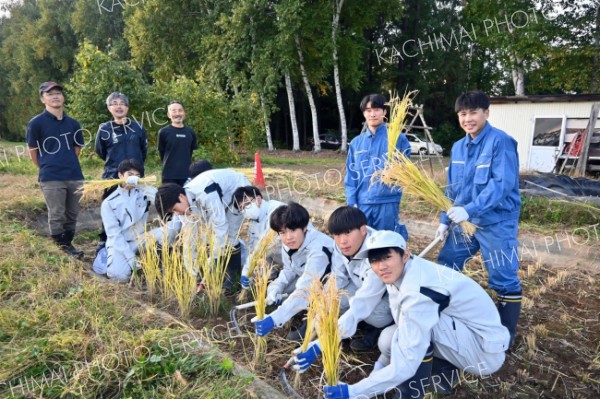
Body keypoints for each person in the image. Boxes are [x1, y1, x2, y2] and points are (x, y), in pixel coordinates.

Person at [322, 230, 510, 399]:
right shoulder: (401, 270)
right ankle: (443, 374)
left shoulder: (418, 290)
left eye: (387, 257)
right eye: (374, 260)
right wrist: (376, 370)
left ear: (405, 255)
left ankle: (410, 393)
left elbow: (407, 360)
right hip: (463, 335)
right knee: (389, 338)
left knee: (414, 337)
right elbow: (368, 307)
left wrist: (354, 391)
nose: (380, 267)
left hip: (484, 353)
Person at [435, 91, 522, 347]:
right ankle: (449, 318)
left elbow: (502, 185)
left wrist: (469, 210)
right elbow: (453, 187)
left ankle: (507, 335)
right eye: (463, 114)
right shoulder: (458, 147)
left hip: (496, 222)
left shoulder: (501, 142)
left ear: (486, 112)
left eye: (473, 112)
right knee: (447, 263)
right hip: (464, 222)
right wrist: (444, 219)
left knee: (503, 276)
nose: (468, 118)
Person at [292, 206, 392, 368]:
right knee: (334, 298)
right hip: (360, 284)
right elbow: (337, 277)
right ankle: (332, 328)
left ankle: (375, 329)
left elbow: (364, 302)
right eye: (337, 235)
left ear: (363, 230)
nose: (342, 241)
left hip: (384, 296)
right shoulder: (341, 246)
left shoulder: (378, 254)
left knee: (371, 314)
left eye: (347, 233)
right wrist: (321, 309)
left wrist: (320, 345)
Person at [154, 160, 251, 290]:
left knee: (230, 237)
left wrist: (210, 265)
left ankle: (233, 282)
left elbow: (220, 225)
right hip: (221, 197)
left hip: (239, 191)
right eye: (173, 212)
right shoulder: (185, 208)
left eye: (175, 209)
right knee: (207, 235)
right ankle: (213, 274)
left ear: (182, 197)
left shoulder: (205, 193)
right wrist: (192, 275)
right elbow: (189, 240)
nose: (177, 213)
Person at [251, 202, 334, 341]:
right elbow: (289, 269)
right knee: (287, 289)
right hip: (307, 279)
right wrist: (275, 288)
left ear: (304, 227)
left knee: (316, 292)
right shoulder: (288, 244)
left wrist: (274, 319)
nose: (288, 237)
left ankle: (312, 323)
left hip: (331, 284)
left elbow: (306, 288)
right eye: (282, 232)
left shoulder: (319, 248)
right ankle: (295, 311)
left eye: (293, 230)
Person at [26, 81, 85, 259]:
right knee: (57, 213)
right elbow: (33, 152)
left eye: (58, 92)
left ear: (63, 97)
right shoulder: (36, 123)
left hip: (74, 175)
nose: (55, 96)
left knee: (72, 213)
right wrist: (46, 166)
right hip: (51, 177)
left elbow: (77, 149)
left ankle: (68, 243)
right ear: (43, 98)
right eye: (50, 93)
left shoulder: (73, 124)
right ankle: (62, 247)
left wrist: (68, 163)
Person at [344, 93, 411, 240]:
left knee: (385, 245)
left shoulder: (398, 139)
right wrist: (351, 203)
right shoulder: (357, 143)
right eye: (368, 110)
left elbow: (407, 172)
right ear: (364, 113)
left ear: (384, 112)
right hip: (362, 203)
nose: (372, 114)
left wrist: (395, 172)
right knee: (361, 243)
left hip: (387, 202)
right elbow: (351, 175)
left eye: (376, 109)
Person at [94, 92, 148, 251]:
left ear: (127, 107)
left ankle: (136, 239)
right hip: (113, 177)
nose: (119, 106)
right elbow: (100, 152)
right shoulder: (104, 129)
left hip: (136, 177)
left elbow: (143, 150)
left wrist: (133, 172)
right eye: (114, 103)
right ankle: (105, 240)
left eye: (122, 103)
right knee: (110, 207)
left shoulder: (137, 127)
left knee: (137, 208)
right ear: (109, 107)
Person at [93, 159, 157, 282]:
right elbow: (115, 235)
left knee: (169, 231)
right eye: (130, 175)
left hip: (141, 239)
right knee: (119, 276)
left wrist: (143, 185)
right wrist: (131, 259)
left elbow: (161, 200)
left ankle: (154, 259)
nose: (133, 179)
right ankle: (107, 255)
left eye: (138, 176)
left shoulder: (143, 193)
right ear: (120, 175)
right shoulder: (109, 203)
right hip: (120, 244)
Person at [232, 185, 285, 289]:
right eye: (241, 209)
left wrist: (246, 270)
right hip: (280, 255)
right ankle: (271, 277)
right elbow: (253, 249)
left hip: (299, 255)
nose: (245, 210)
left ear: (258, 199)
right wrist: (250, 274)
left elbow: (264, 244)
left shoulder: (278, 210)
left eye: (247, 204)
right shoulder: (253, 223)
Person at [157, 101, 199, 186]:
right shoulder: (163, 132)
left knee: (187, 199)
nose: (177, 113)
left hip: (187, 175)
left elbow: (191, 152)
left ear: (184, 113)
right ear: (169, 115)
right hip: (169, 175)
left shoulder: (190, 132)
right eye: (174, 111)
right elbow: (162, 153)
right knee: (169, 199)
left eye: (180, 110)